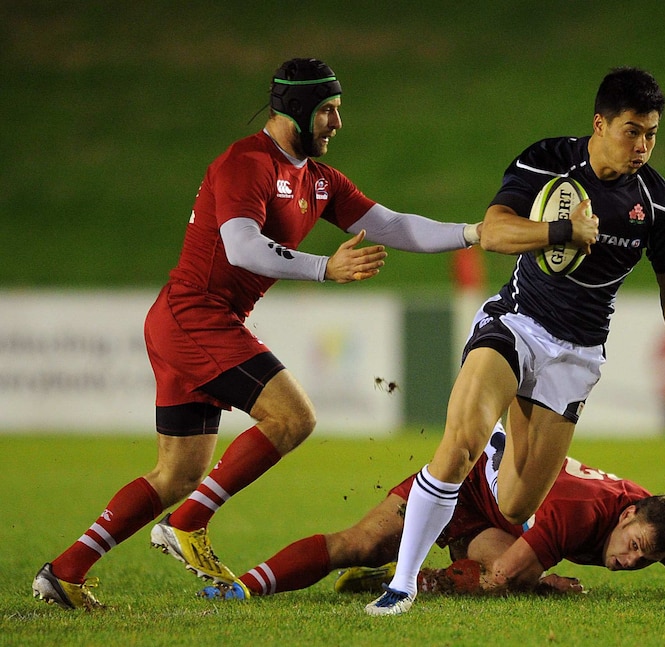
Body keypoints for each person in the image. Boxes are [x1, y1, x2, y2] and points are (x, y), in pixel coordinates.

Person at [32, 57, 482, 611]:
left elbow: (392, 224)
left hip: (192, 321)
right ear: (295, 109)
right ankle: (189, 522)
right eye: (328, 111)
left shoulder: (318, 179)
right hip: (196, 316)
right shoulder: (246, 162)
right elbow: (241, 246)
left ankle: (66, 571)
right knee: (294, 418)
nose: (337, 124)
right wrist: (324, 268)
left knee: (177, 473)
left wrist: (473, 232)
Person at [365, 66, 665, 615]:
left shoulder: (657, 202)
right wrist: (560, 231)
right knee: (459, 444)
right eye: (631, 130)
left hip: (575, 356)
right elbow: (493, 230)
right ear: (600, 123)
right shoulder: (549, 160)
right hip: (517, 325)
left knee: (516, 500)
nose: (642, 145)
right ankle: (400, 585)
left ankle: (493, 459)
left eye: (651, 134)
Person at [196, 426, 665, 601]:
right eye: (633, 547)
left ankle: (409, 575)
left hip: (499, 514)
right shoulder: (579, 514)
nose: (632, 562)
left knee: (530, 577)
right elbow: (497, 575)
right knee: (363, 541)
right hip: (461, 477)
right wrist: (536, 585)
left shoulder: (653, 526)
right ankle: (243, 588)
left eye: (645, 560)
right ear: (626, 513)